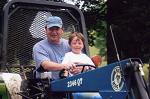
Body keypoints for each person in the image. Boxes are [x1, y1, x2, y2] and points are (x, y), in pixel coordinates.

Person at [33, 16, 77, 98]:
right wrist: (65, 66)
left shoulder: (69, 44)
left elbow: (78, 58)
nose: (54, 32)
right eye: (51, 29)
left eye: (57, 29)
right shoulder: (39, 46)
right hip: (48, 87)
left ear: (62, 30)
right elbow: (46, 65)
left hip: (70, 84)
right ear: (45, 30)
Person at [62, 32, 102, 99]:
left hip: (87, 85)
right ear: (70, 45)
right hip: (74, 86)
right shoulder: (68, 55)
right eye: (74, 43)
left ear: (83, 45)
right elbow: (63, 67)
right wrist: (69, 68)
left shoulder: (85, 57)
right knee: (96, 97)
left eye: (79, 43)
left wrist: (86, 68)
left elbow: (93, 69)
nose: (77, 45)